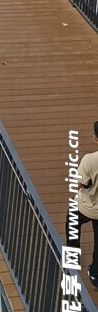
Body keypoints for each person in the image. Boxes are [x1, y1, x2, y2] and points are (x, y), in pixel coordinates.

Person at [66, 121, 98, 289]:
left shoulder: (89, 160)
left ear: (96, 139)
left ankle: (72, 258)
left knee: (72, 219)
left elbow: (77, 184)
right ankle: (95, 273)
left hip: (86, 205)